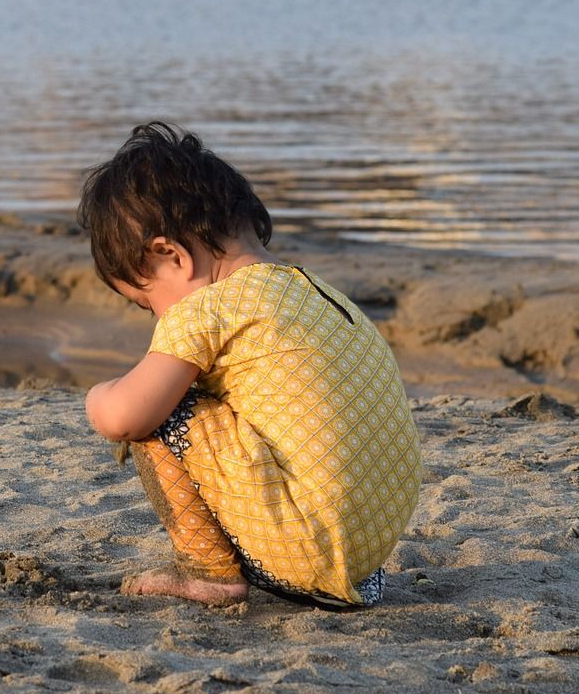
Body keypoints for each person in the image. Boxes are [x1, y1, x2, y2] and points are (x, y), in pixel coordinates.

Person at [79, 121, 422, 608]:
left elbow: (126, 415)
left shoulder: (208, 309)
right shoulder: (313, 292)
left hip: (304, 551)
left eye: (146, 302)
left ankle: (209, 575)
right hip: (367, 557)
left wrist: (99, 397)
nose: (157, 317)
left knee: (158, 411)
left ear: (172, 256)